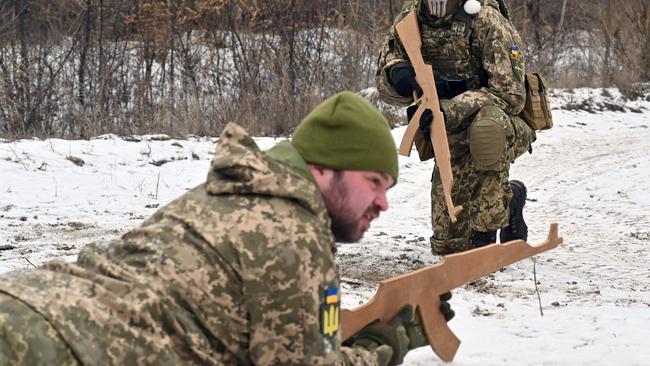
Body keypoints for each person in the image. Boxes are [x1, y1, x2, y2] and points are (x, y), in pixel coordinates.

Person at [0, 92, 453, 366]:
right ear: (321, 169)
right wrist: (384, 342)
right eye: (373, 182)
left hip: (26, 303)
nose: (383, 202)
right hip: (58, 349)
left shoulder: (222, 197)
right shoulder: (292, 234)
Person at [376, 0, 536, 254]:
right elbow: (386, 75)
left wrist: (448, 110)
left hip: (498, 122)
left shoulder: (485, 19)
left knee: (486, 131)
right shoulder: (412, 17)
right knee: (448, 245)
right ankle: (511, 200)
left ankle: (486, 233)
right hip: (448, 127)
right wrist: (397, 74)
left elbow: (510, 95)